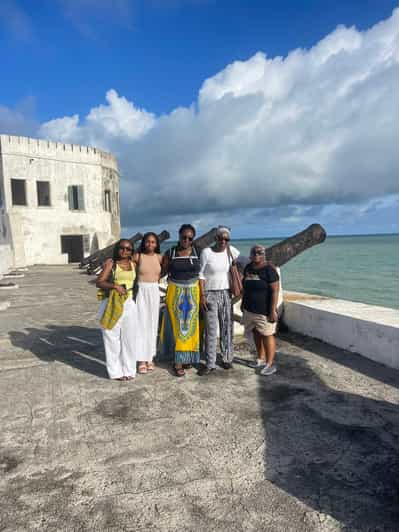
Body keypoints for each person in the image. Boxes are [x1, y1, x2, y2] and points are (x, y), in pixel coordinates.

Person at [159, 224, 202, 377]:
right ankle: (177, 362)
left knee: (191, 328)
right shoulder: (170, 252)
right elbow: (162, 272)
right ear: (179, 236)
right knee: (178, 329)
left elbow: (206, 272)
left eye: (190, 238)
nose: (186, 240)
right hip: (175, 293)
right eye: (184, 237)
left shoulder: (198, 252)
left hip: (193, 293)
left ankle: (187, 358)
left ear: (193, 239)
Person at [198, 227, 240, 375]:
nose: (223, 241)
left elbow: (244, 262)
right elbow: (201, 274)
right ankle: (210, 363)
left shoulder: (231, 251)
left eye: (226, 239)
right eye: (220, 238)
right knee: (211, 330)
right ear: (215, 238)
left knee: (227, 328)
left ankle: (227, 358)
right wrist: (202, 295)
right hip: (209, 294)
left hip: (226, 293)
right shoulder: (206, 253)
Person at [96, 239, 137, 381]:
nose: (125, 251)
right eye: (122, 248)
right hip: (113, 303)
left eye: (128, 249)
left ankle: (129, 370)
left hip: (129, 304)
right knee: (112, 338)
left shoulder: (133, 264)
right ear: (117, 249)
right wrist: (115, 286)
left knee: (129, 339)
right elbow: (99, 282)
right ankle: (115, 372)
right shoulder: (111, 264)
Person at [241, 244, 279, 376]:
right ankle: (261, 359)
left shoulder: (269, 270)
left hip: (264, 310)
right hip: (250, 309)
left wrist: (272, 310)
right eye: (254, 253)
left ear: (263, 254)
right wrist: (243, 304)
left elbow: (275, 291)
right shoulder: (248, 268)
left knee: (267, 335)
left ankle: (270, 363)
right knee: (256, 332)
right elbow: (245, 288)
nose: (257, 255)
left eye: (259, 253)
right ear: (250, 255)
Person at [133, 232, 162, 374]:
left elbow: (164, 271)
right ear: (144, 243)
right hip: (142, 291)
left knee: (152, 324)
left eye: (153, 242)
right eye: (148, 241)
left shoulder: (159, 257)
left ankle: (150, 357)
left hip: (154, 291)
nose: (150, 244)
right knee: (141, 325)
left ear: (156, 244)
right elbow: (126, 269)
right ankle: (141, 359)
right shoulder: (138, 257)